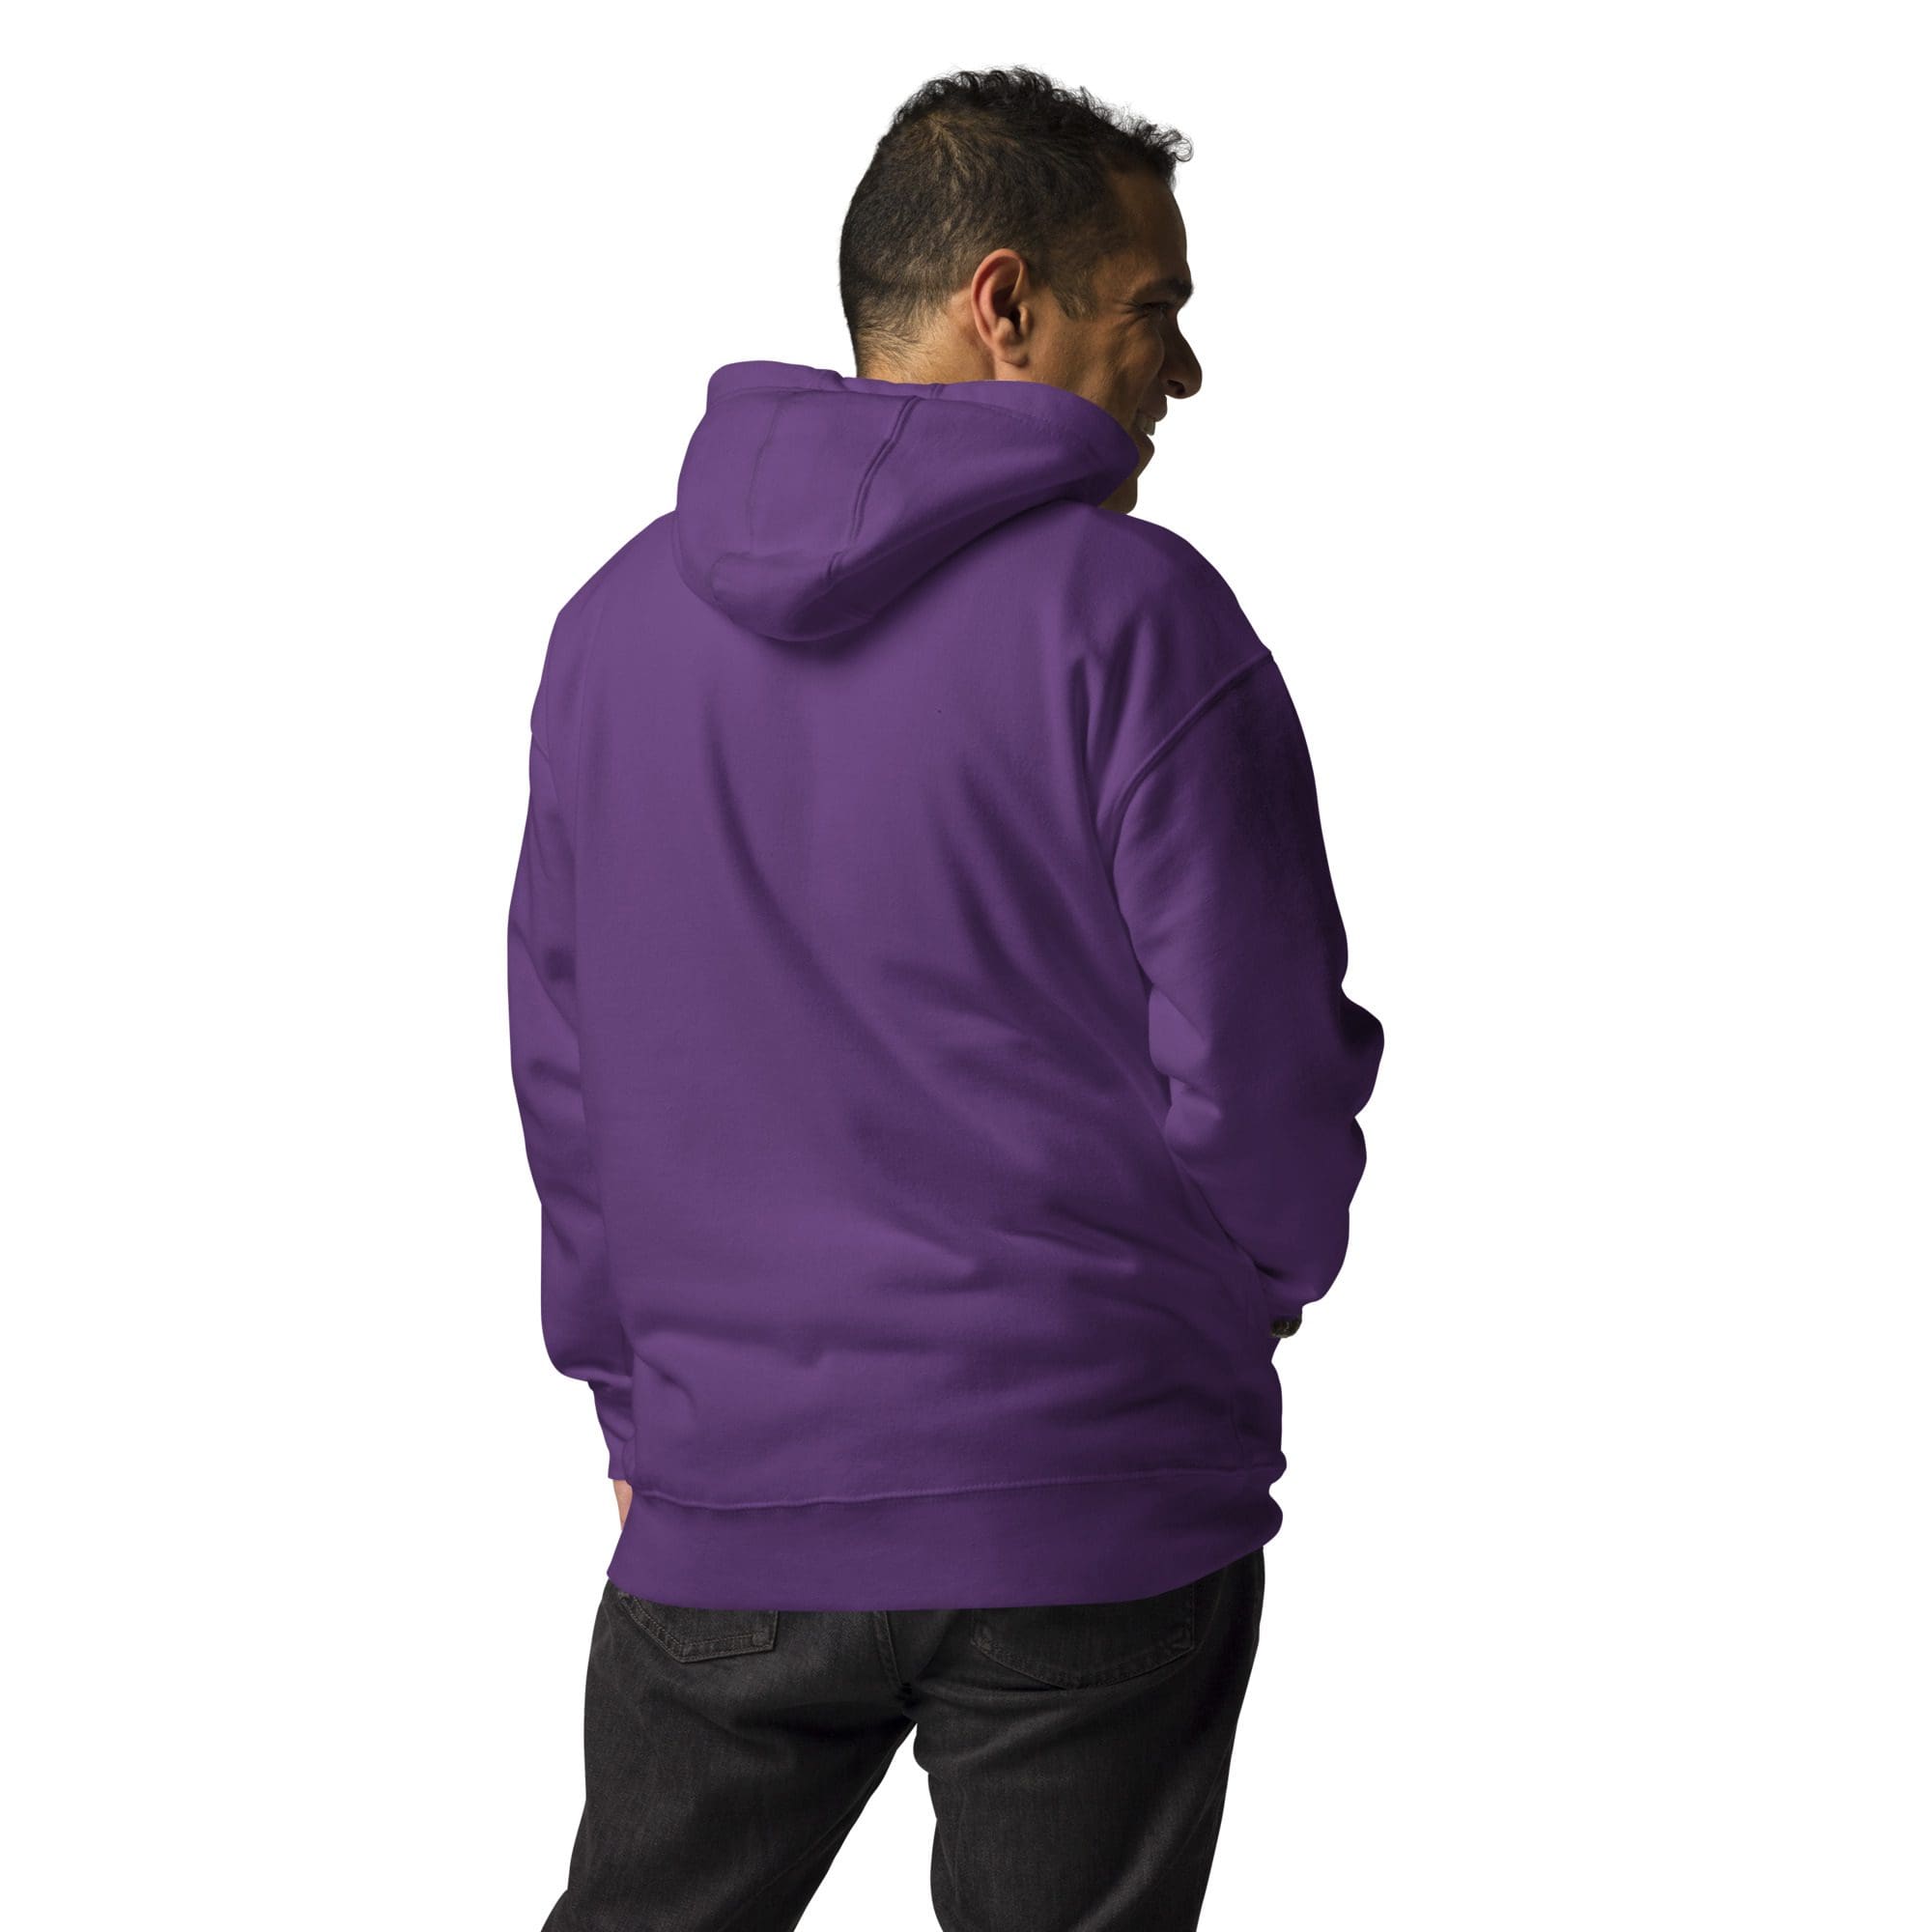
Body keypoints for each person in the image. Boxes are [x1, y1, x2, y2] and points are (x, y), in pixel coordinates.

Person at [507, 64, 1384, 1932]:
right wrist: (1235, 1304)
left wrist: (638, 1413)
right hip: (1092, 1486)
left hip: (732, 1497)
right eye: (1153, 308)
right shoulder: (1140, 621)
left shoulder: (611, 633)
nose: (1184, 369)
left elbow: (568, 1075)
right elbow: (1264, 1067)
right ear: (1008, 303)